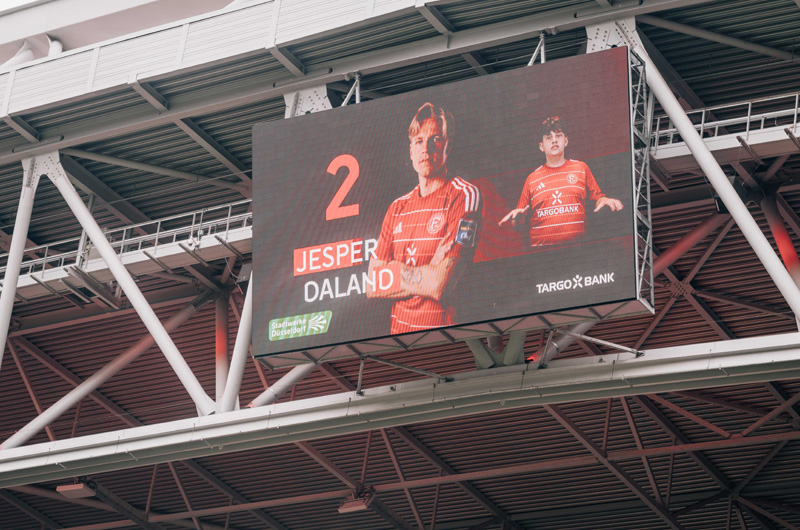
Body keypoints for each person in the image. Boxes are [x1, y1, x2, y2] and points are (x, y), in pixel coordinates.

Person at [367, 102, 482, 334]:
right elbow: (372, 284)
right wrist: (429, 269)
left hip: (447, 340)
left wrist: (397, 273)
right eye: (418, 141)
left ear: (448, 146)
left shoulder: (465, 196)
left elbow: (440, 284)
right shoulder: (396, 208)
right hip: (398, 343)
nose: (426, 149)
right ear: (410, 151)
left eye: (435, 139)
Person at [499, 116, 622, 247]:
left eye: (558, 135)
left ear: (566, 141)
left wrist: (604, 200)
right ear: (541, 146)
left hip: (577, 251)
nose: (554, 141)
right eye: (548, 137)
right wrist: (516, 220)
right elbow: (518, 222)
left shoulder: (581, 168)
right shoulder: (532, 178)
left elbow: (598, 198)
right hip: (541, 255)